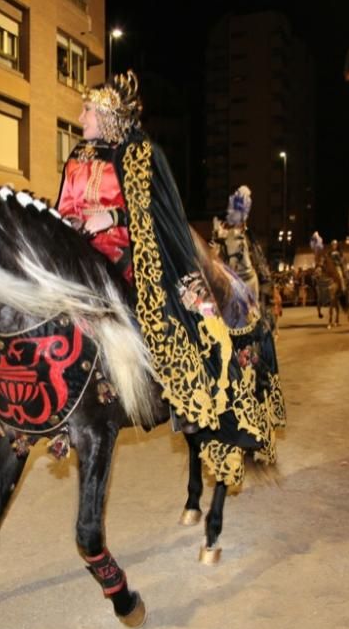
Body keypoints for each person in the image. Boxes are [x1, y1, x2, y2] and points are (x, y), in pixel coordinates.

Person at [56, 71, 280, 487]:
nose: (80, 115)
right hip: (81, 251)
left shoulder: (142, 154)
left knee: (178, 316)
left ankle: (186, 396)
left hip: (131, 251)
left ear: (107, 115)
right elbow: (64, 204)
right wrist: (68, 222)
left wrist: (113, 217)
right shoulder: (77, 157)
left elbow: (159, 214)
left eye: (87, 109)